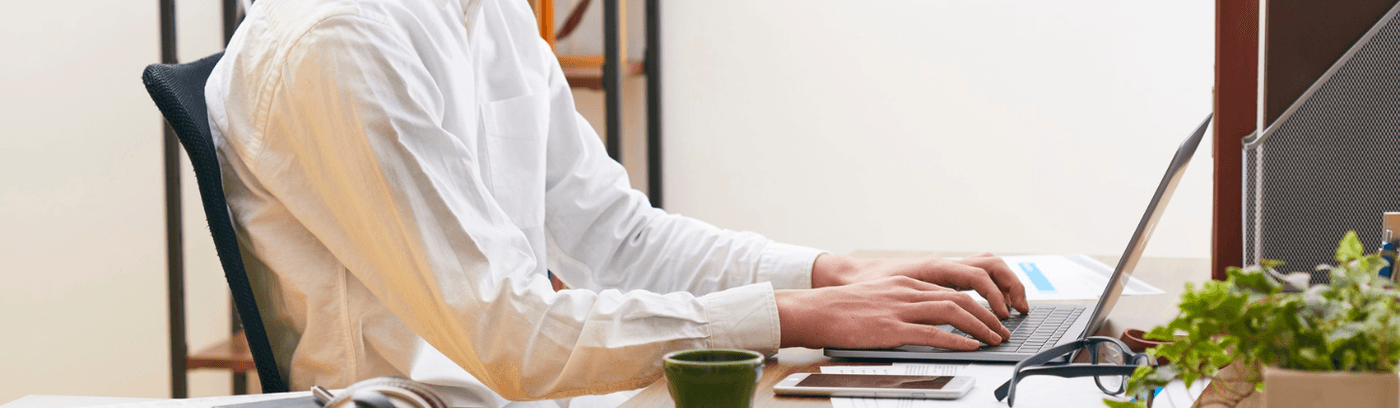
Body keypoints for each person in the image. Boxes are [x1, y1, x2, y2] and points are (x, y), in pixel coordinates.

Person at [204, 0, 1029, 406]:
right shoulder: (341, 43)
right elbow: (508, 338)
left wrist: (834, 276)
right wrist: (796, 315)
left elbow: (615, 235)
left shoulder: (484, 10)